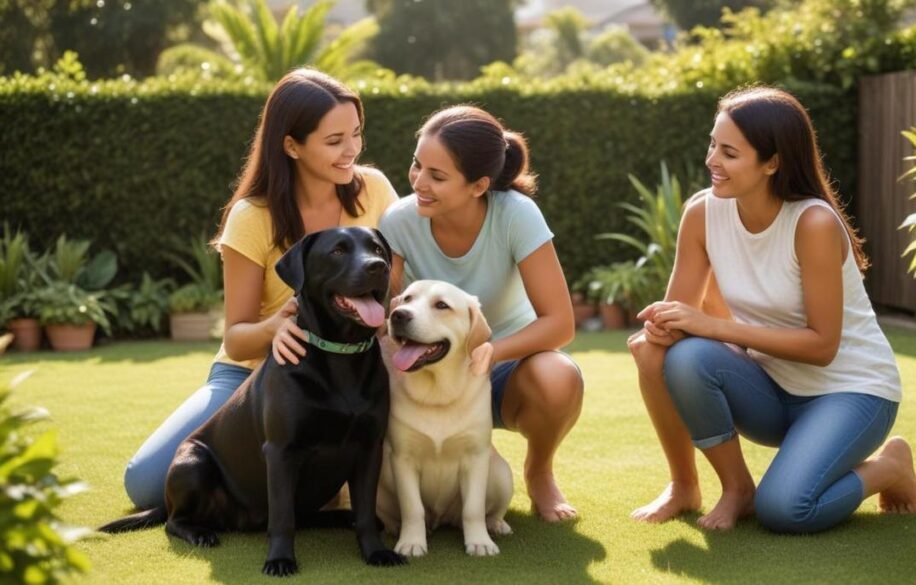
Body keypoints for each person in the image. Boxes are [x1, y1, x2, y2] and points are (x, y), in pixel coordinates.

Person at [628, 86, 916, 533]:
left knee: (786, 510)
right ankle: (721, 488)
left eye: (729, 153)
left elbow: (822, 346)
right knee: (668, 353)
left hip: (851, 391)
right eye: (713, 144)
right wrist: (662, 330)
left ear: (772, 162)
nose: (712, 160)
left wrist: (711, 326)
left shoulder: (813, 223)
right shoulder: (702, 214)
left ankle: (889, 468)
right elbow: (679, 318)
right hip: (771, 390)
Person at [275, 105, 583, 522]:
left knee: (558, 377)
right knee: (375, 365)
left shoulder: (516, 214)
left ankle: (539, 472)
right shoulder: (400, 221)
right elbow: (378, 309)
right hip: (423, 364)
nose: (419, 182)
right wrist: (294, 320)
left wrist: (490, 351)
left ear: (479, 185)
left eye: (437, 176)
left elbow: (559, 323)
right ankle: (353, 480)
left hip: (502, 365)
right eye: (417, 165)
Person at [121, 68, 399, 510]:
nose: (352, 150)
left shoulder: (376, 190)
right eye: (334, 141)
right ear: (291, 145)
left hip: (352, 368)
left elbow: (396, 283)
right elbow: (235, 337)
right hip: (250, 374)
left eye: (356, 134)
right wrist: (274, 329)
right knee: (144, 484)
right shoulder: (253, 216)